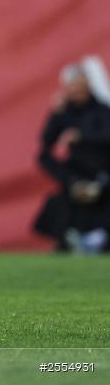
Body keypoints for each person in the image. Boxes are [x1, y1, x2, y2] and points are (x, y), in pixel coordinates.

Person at [35, 63, 110, 254]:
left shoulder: (103, 110)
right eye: (73, 87)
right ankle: (68, 241)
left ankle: (99, 240)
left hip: (103, 176)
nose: (77, 91)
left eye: (81, 86)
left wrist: (82, 136)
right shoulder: (63, 114)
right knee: (60, 205)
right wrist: (70, 180)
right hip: (74, 177)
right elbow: (45, 148)